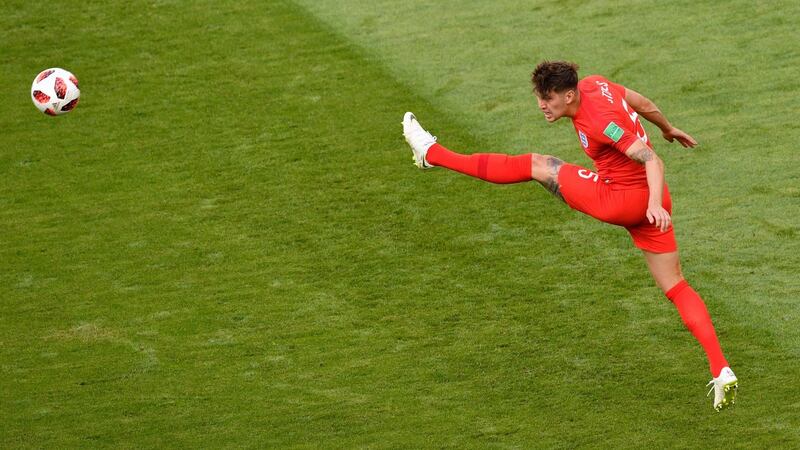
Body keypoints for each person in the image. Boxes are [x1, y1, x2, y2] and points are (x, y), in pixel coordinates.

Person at [401, 60, 738, 411]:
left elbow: (651, 159)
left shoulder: (598, 122)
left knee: (538, 164)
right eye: (539, 97)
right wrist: (668, 128)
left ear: (570, 94)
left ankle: (432, 154)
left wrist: (653, 204)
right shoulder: (597, 84)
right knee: (676, 285)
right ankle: (721, 367)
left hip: (625, 200)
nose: (542, 105)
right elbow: (639, 102)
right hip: (652, 200)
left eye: (548, 98)